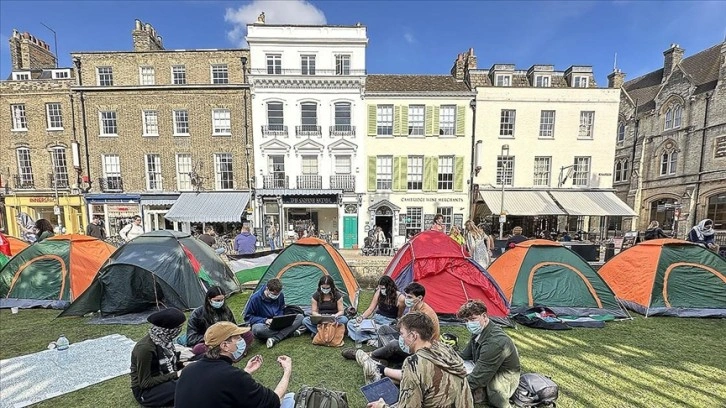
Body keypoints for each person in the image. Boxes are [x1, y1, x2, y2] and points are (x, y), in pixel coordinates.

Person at [363, 312, 473, 408]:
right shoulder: (446, 350)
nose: (401, 338)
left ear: (413, 336)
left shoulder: (414, 363)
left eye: (402, 334)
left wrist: (381, 406)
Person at [175, 321, 295, 408]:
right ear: (225, 346)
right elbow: (272, 401)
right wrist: (287, 370)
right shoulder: (232, 376)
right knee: (290, 399)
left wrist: (246, 371)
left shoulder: (189, 369)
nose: (242, 341)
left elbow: (221, 389)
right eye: (238, 338)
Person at [345, 283, 440, 373]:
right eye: (406, 296)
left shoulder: (426, 314)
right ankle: (381, 357)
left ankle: (368, 355)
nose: (406, 299)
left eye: (410, 297)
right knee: (384, 329)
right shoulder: (414, 306)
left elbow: (420, 339)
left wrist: (402, 337)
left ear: (419, 298)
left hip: (421, 348)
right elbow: (405, 324)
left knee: (394, 344)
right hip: (411, 337)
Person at [457, 300, 520, 407]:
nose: (469, 324)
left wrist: (454, 389)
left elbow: (478, 377)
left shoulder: (494, 342)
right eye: (466, 320)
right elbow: (464, 356)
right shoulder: (480, 330)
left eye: (472, 319)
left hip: (502, 379)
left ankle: (481, 394)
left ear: (484, 316)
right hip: (485, 368)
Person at [130, 308, 186, 407]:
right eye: (179, 327)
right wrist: (176, 374)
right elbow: (145, 383)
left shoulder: (165, 341)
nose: (180, 330)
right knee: (188, 385)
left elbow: (171, 362)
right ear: (169, 329)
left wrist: (184, 364)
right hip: (146, 392)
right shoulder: (145, 349)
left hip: (165, 376)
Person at [182, 286, 249, 356]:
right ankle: (230, 354)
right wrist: (211, 338)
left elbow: (234, 327)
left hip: (227, 340)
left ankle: (228, 354)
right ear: (209, 299)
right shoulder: (197, 314)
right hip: (211, 343)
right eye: (217, 300)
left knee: (248, 334)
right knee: (198, 348)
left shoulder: (225, 310)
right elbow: (191, 338)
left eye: (222, 300)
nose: (220, 302)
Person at [244, 278, 304, 349]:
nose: (276, 296)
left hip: (277, 322)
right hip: (263, 324)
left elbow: (281, 309)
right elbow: (248, 317)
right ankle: (288, 332)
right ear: (267, 289)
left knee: (300, 317)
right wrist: (265, 320)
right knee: (258, 330)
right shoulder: (255, 299)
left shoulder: (280, 295)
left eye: (277, 294)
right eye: (273, 294)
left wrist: (280, 318)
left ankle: (276, 338)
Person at [347, 276, 405, 345]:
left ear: (390, 287)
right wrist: (361, 317)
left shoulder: (400, 298)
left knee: (384, 330)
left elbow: (399, 316)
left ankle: (368, 337)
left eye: (383, 288)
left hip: (388, 322)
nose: (381, 290)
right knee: (351, 323)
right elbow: (371, 309)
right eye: (380, 288)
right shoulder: (379, 292)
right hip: (376, 319)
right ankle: (372, 338)